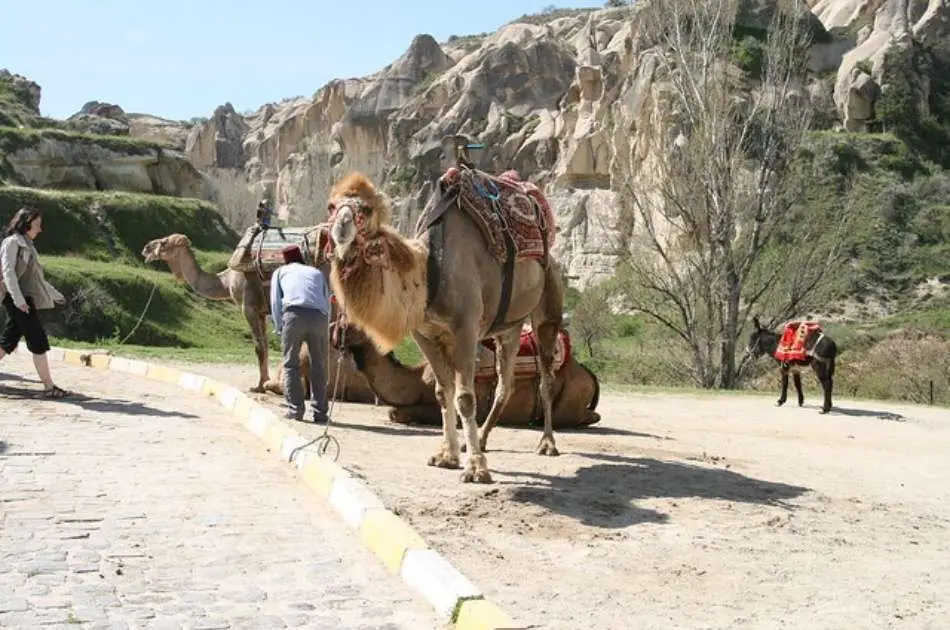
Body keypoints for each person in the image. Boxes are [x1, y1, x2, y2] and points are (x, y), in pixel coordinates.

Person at [0, 206, 73, 398]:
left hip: (26, 298)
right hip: (16, 298)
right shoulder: (11, 243)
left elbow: (36, 278)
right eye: (37, 225)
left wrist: (56, 295)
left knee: (8, 341)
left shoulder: (29, 245)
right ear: (26, 224)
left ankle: (49, 387)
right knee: (38, 340)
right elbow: (8, 273)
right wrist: (18, 300)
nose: (40, 229)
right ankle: (49, 387)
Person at [270, 244, 330, 422]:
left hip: (294, 315)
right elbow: (326, 300)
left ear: (285, 259)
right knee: (319, 366)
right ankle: (320, 413)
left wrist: (279, 325)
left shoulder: (280, 272)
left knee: (291, 364)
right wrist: (325, 326)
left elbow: (275, 302)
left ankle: (296, 410)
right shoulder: (316, 273)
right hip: (319, 317)